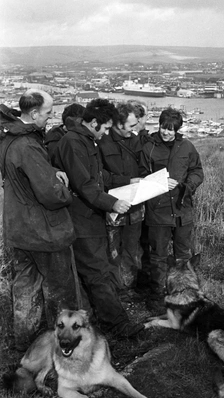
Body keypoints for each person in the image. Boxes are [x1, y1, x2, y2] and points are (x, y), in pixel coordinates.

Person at [53, 98, 142, 339]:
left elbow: (98, 176)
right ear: (93, 122)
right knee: (97, 271)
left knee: (96, 270)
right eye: (104, 128)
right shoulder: (73, 143)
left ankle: (101, 320)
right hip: (82, 220)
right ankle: (117, 324)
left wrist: (125, 181)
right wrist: (113, 202)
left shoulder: (85, 140)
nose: (105, 133)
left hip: (91, 218)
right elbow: (85, 184)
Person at [0, 90, 79, 351]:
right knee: (59, 290)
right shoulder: (29, 144)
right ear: (34, 114)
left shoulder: (9, 138)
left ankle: (25, 343)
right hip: (44, 232)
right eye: (48, 113)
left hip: (18, 228)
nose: (51, 117)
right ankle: (62, 345)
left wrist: (50, 170)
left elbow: (22, 174)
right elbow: (50, 194)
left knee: (25, 286)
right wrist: (67, 192)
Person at [138, 107, 204, 308]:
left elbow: (197, 171)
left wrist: (188, 185)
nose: (166, 132)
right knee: (158, 255)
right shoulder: (148, 147)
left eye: (171, 129)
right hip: (158, 210)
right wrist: (158, 183)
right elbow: (140, 176)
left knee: (183, 254)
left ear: (178, 129)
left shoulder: (187, 147)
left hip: (183, 208)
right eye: (163, 127)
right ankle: (158, 296)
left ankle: (185, 293)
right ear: (158, 125)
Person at [98, 101, 152, 294]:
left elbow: (144, 167)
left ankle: (128, 288)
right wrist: (126, 180)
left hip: (135, 208)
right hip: (113, 207)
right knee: (112, 251)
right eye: (130, 125)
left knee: (131, 249)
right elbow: (99, 175)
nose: (134, 128)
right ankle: (114, 290)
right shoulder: (101, 142)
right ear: (119, 124)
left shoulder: (135, 140)